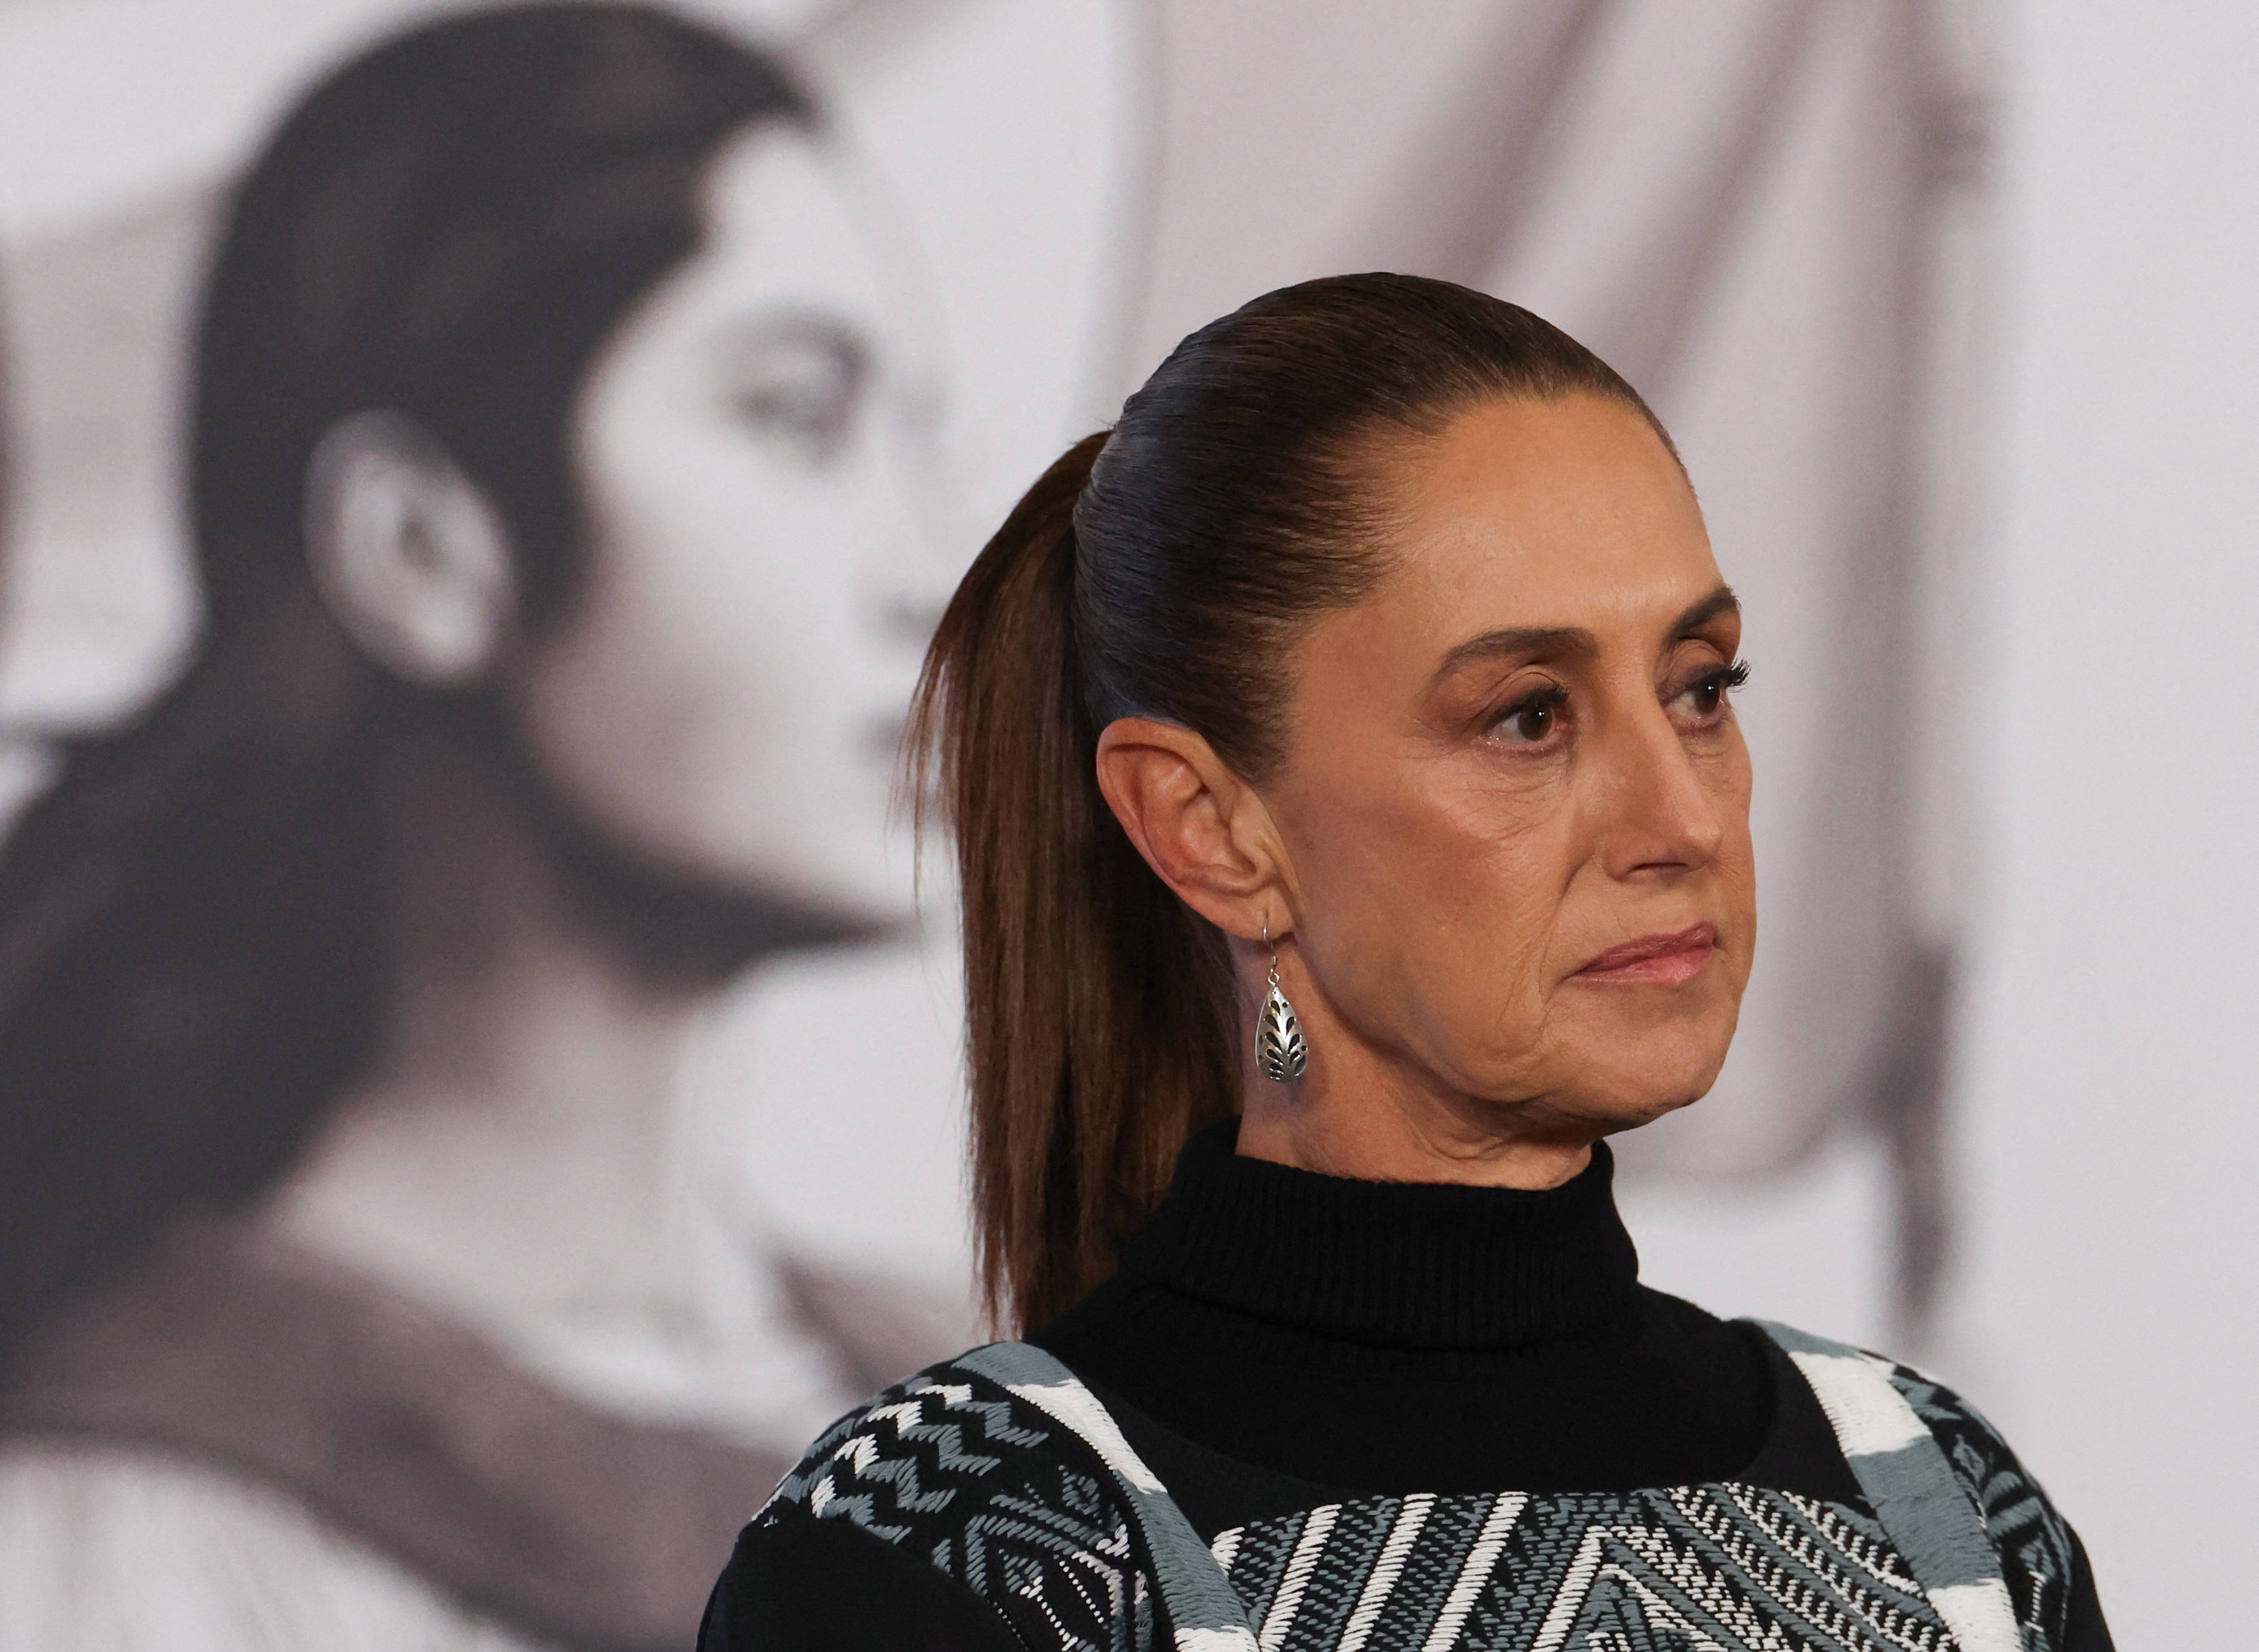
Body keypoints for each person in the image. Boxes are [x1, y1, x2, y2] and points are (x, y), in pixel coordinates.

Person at [0, 0, 946, 1652]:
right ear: (420, 551)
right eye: (796, 419)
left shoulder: (970, 1394)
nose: (936, 573)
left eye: (916, 441)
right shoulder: (147, 1535)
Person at [702, 274, 2115, 1649]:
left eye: (1698, 689)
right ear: (1210, 831)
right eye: (1527, 716)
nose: (1681, 820)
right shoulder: (938, 1569)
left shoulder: (1950, 1515)